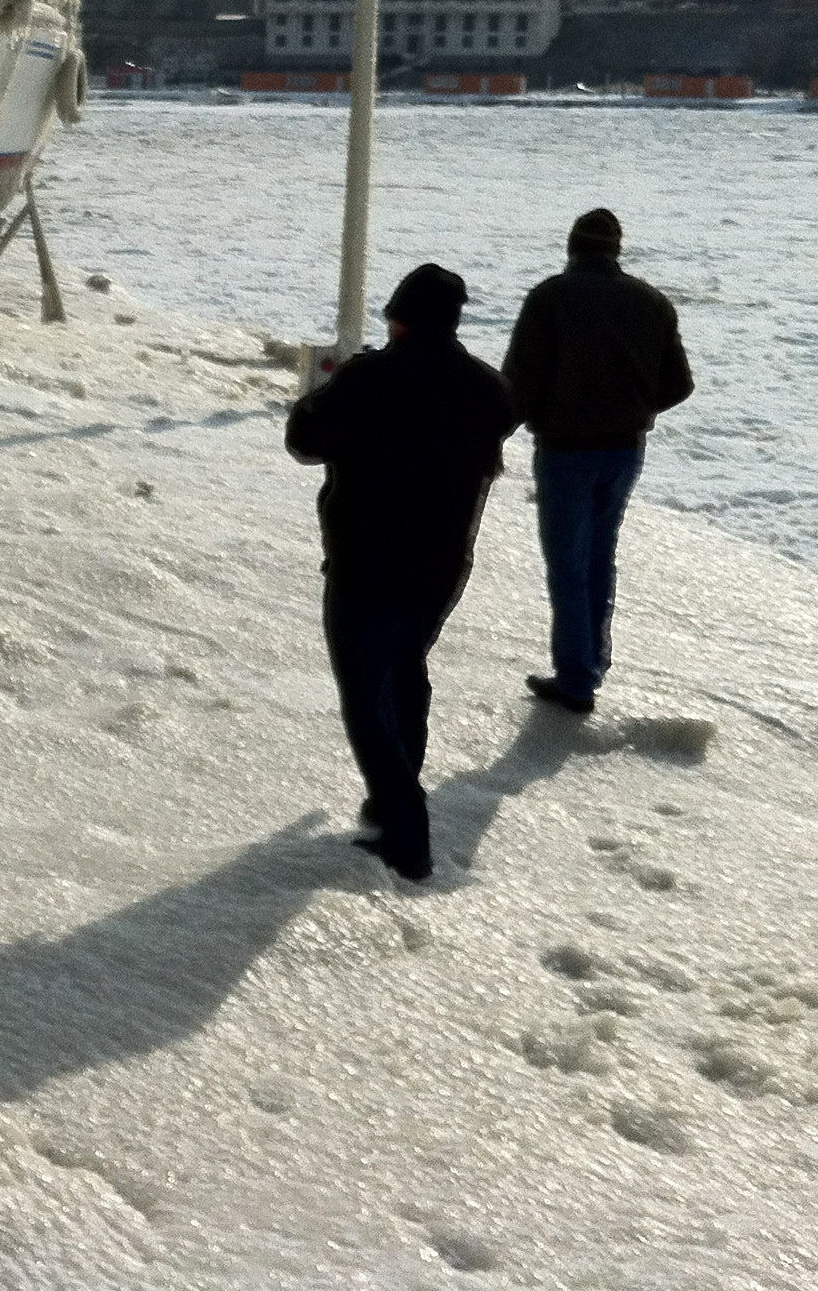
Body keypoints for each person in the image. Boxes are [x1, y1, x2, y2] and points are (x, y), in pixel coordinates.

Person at [286, 264, 518, 881]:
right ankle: (391, 804)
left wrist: (315, 394)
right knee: (404, 672)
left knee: (366, 696)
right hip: (442, 564)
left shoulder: (370, 378)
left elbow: (305, 440)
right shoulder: (487, 388)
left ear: (399, 318)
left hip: (366, 557)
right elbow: (503, 413)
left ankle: (406, 831)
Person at [502, 208, 693, 715]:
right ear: (615, 250)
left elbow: (518, 385)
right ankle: (591, 662)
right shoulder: (651, 302)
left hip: (566, 451)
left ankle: (576, 681)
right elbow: (679, 384)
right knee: (599, 555)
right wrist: (635, 408)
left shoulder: (549, 299)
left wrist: (491, 436)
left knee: (567, 564)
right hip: (625, 451)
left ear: (572, 249)